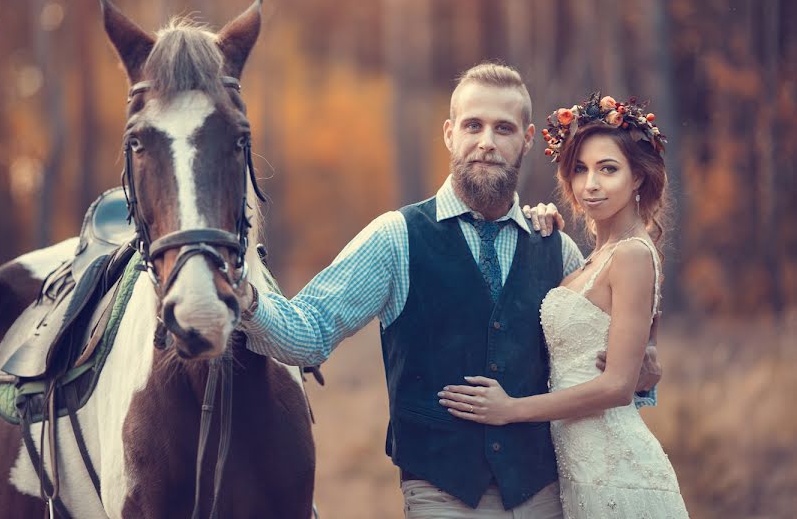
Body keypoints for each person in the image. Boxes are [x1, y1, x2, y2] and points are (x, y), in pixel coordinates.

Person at [237, 64, 661, 517]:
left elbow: (602, 366)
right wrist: (245, 299)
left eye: (504, 128)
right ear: (449, 133)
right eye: (473, 125)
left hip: (544, 493)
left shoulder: (557, 249)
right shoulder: (395, 237)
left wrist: (644, 377)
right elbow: (310, 331)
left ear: (527, 139)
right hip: (442, 496)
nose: (487, 142)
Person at [438, 93, 688, 517]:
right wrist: (542, 231)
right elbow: (646, 353)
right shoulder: (592, 256)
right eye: (580, 169)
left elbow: (617, 387)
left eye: (608, 169)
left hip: (618, 472)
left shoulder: (631, 255)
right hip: (577, 474)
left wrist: (511, 411)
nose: (590, 184)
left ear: (638, 179)